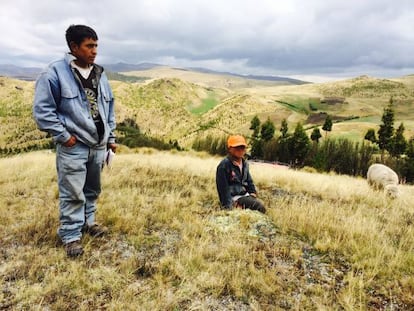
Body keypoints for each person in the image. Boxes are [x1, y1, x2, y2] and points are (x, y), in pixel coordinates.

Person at [33, 25, 117, 257]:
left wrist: (111, 136)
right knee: (72, 192)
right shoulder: (54, 74)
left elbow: (109, 106)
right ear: (73, 47)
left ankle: (89, 223)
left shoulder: (100, 73)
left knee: (92, 189)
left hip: (98, 146)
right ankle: (70, 236)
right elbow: (42, 112)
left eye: (96, 46)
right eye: (89, 46)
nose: (94, 51)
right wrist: (64, 137)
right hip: (74, 146)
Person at [216, 135, 266, 213]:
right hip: (235, 197)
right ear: (230, 148)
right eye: (237, 147)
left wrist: (252, 192)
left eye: (242, 147)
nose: (240, 150)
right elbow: (223, 188)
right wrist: (229, 207)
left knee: (259, 205)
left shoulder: (245, 163)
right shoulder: (224, 165)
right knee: (259, 207)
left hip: (245, 195)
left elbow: (249, 180)